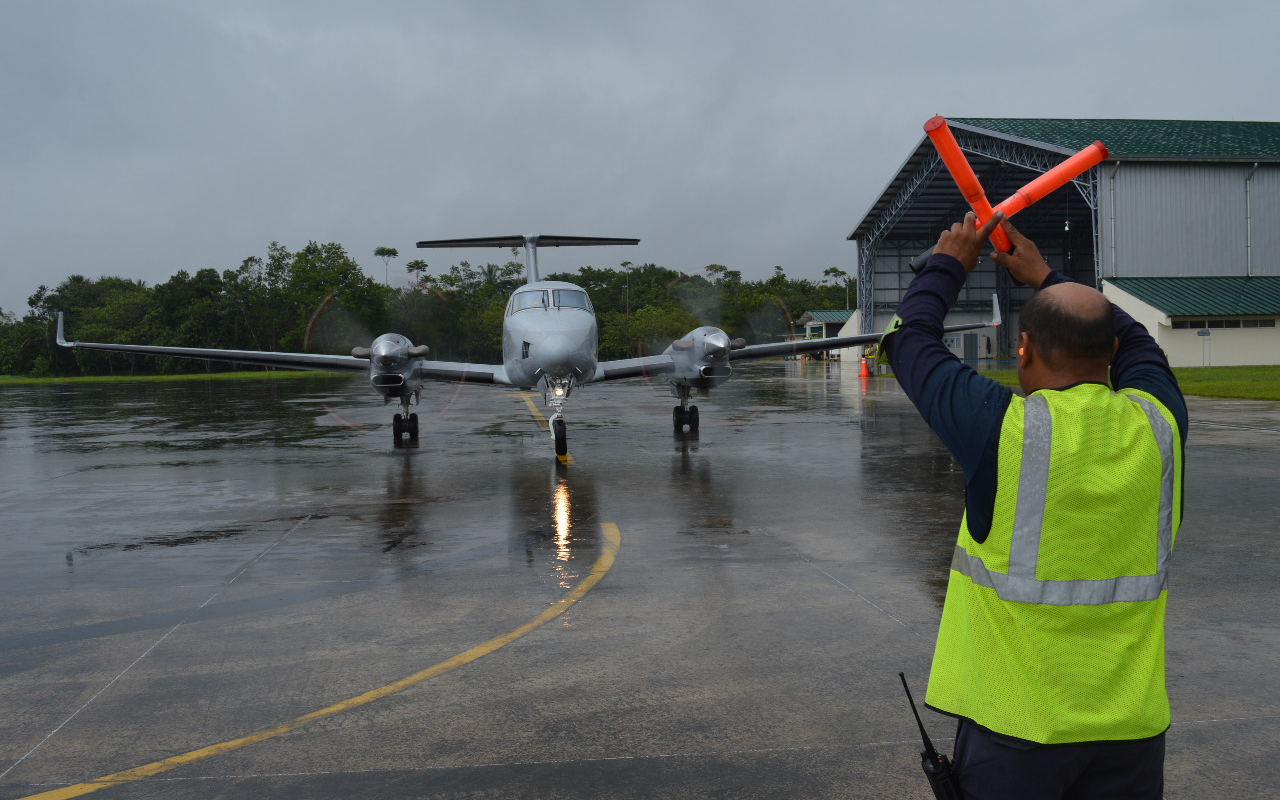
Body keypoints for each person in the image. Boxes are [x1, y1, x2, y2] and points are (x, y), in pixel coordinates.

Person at [882, 211, 1187, 800]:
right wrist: (1047, 276)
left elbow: (905, 337)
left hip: (1017, 732)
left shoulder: (1002, 429)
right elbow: (1143, 344)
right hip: (1133, 731)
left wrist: (950, 262)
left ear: (1022, 350)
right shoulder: (1161, 423)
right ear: (1113, 352)